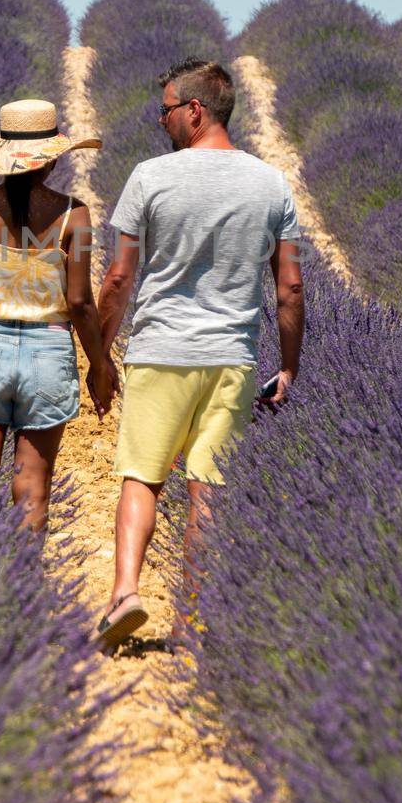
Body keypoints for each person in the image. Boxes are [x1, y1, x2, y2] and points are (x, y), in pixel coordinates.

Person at [94, 56, 305, 648]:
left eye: (165, 111)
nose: (159, 122)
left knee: (141, 478)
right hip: (233, 360)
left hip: (161, 352)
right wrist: (287, 366)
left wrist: (101, 353)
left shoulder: (150, 178)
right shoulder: (272, 184)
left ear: (194, 110)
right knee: (208, 491)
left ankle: (125, 595)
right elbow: (289, 286)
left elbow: (117, 279)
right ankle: (193, 620)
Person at [0, 96, 116, 531]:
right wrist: (99, 365)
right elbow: (79, 303)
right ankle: (26, 584)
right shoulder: (74, 215)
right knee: (33, 487)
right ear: (52, 160)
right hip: (48, 353)